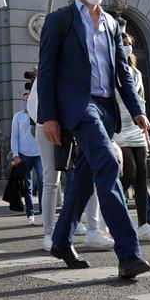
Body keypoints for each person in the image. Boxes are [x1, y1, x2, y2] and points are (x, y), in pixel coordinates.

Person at [37, 0, 150, 279]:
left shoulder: (113, 24)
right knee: (108, 163)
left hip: (106, 106)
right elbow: (46, 72)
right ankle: (129, 254)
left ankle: (61, 240)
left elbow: (123, 74)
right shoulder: (59, 21)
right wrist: (49, 117)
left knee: (87, 176)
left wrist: (137, 109)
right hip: (79, 107)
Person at [29, 67, 112, 253]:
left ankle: (93, 230)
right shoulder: (48, 68)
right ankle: (49, 234)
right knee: (52, 180)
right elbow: (34, 105)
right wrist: (51, 120)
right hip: (47, 126)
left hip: (75, 125)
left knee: (89, 175)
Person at [116, 32, 150, 242]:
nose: (127, 48)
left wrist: (147, 135)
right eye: (123, 44)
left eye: (129, 44)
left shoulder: (136, 72)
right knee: (129, 172)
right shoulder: (113, 70)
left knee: (142, 175)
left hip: (137, 127)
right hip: (119, 127)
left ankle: (143, 224)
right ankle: (107, 205)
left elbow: (141, 103)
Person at [10, 81, 43, 226]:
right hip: (24, 154)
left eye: (29, 99)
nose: (26, 102)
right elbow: (14, 136)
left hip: (39, 153)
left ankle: (43, 212)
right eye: (24, 100)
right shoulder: (18, 117)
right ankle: (30, 214)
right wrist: (16, 155)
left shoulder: (40, 114)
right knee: (27, 186)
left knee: (43, 182)